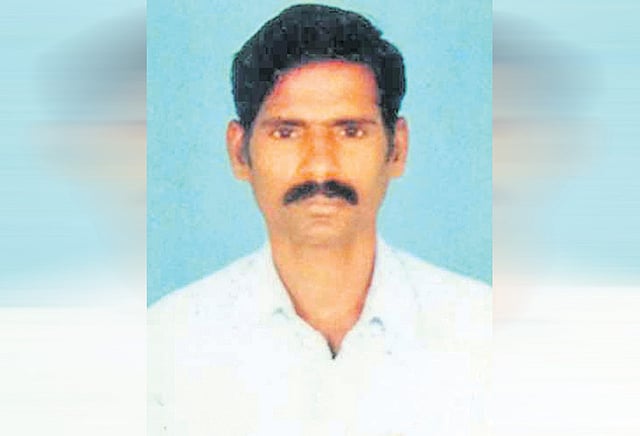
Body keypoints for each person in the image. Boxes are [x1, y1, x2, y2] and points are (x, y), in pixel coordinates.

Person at [148, 4, 490, 435]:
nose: (321, 167)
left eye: (350, 131)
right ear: (239, 152)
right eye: (286, 132)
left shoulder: (485, 336)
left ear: (397, 148)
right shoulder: (164, 349)